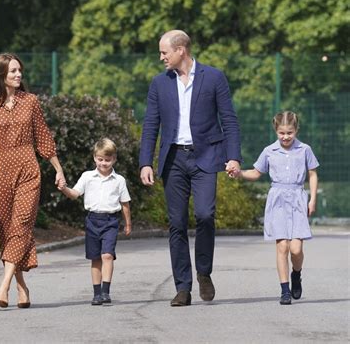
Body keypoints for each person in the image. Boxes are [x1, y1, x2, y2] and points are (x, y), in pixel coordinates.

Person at [139, 30, 242, 306]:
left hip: (206, 156)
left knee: (206, 215)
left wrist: (233, 157)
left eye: (164, 52)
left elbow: (229, 120)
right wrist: (146, 161)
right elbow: (151, 124)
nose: (161, 57)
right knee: (177, 223)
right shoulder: (159, 83)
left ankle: (204, 272)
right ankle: (182, 287)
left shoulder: (214, 77)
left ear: (180, 50)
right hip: (173, 159)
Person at [0, 53, 66, 309]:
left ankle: (4, 285)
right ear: (0, 74)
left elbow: (43, 137)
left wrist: (58, 169)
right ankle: (22, 287)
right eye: (12, 71)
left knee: (21, 224)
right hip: (2, 171)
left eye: (19, 70)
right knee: (7, 230)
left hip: (28, 168)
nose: (18, 75)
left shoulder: (30, 101)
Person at [230, 111, 319, 305]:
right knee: (283, 247)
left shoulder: (305, 149)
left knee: (296, 249)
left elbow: (312, 173)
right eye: (281, 133)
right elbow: (256, 172)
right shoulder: (269, 151)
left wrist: (312, 200)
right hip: (277, 199)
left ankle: (297, 274)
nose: (285, 137)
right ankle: (285, 290)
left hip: (297, 198)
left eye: (289, 132)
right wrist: (239, 173)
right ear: (276, 131)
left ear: (296, 130)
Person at [59, 138, 132, 305]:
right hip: (92, 220)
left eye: (108, 160)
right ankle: (97, 293)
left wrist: (128, 224)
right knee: (95, 258)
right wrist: (64, 189)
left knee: (107, 255)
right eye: (100, 159)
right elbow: (75, 194)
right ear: (94, 158)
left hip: (110, 221)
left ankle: (106, 291)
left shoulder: (119, 180)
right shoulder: (87, 177)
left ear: (114, 159)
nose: (104, 163)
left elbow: (125, 203)